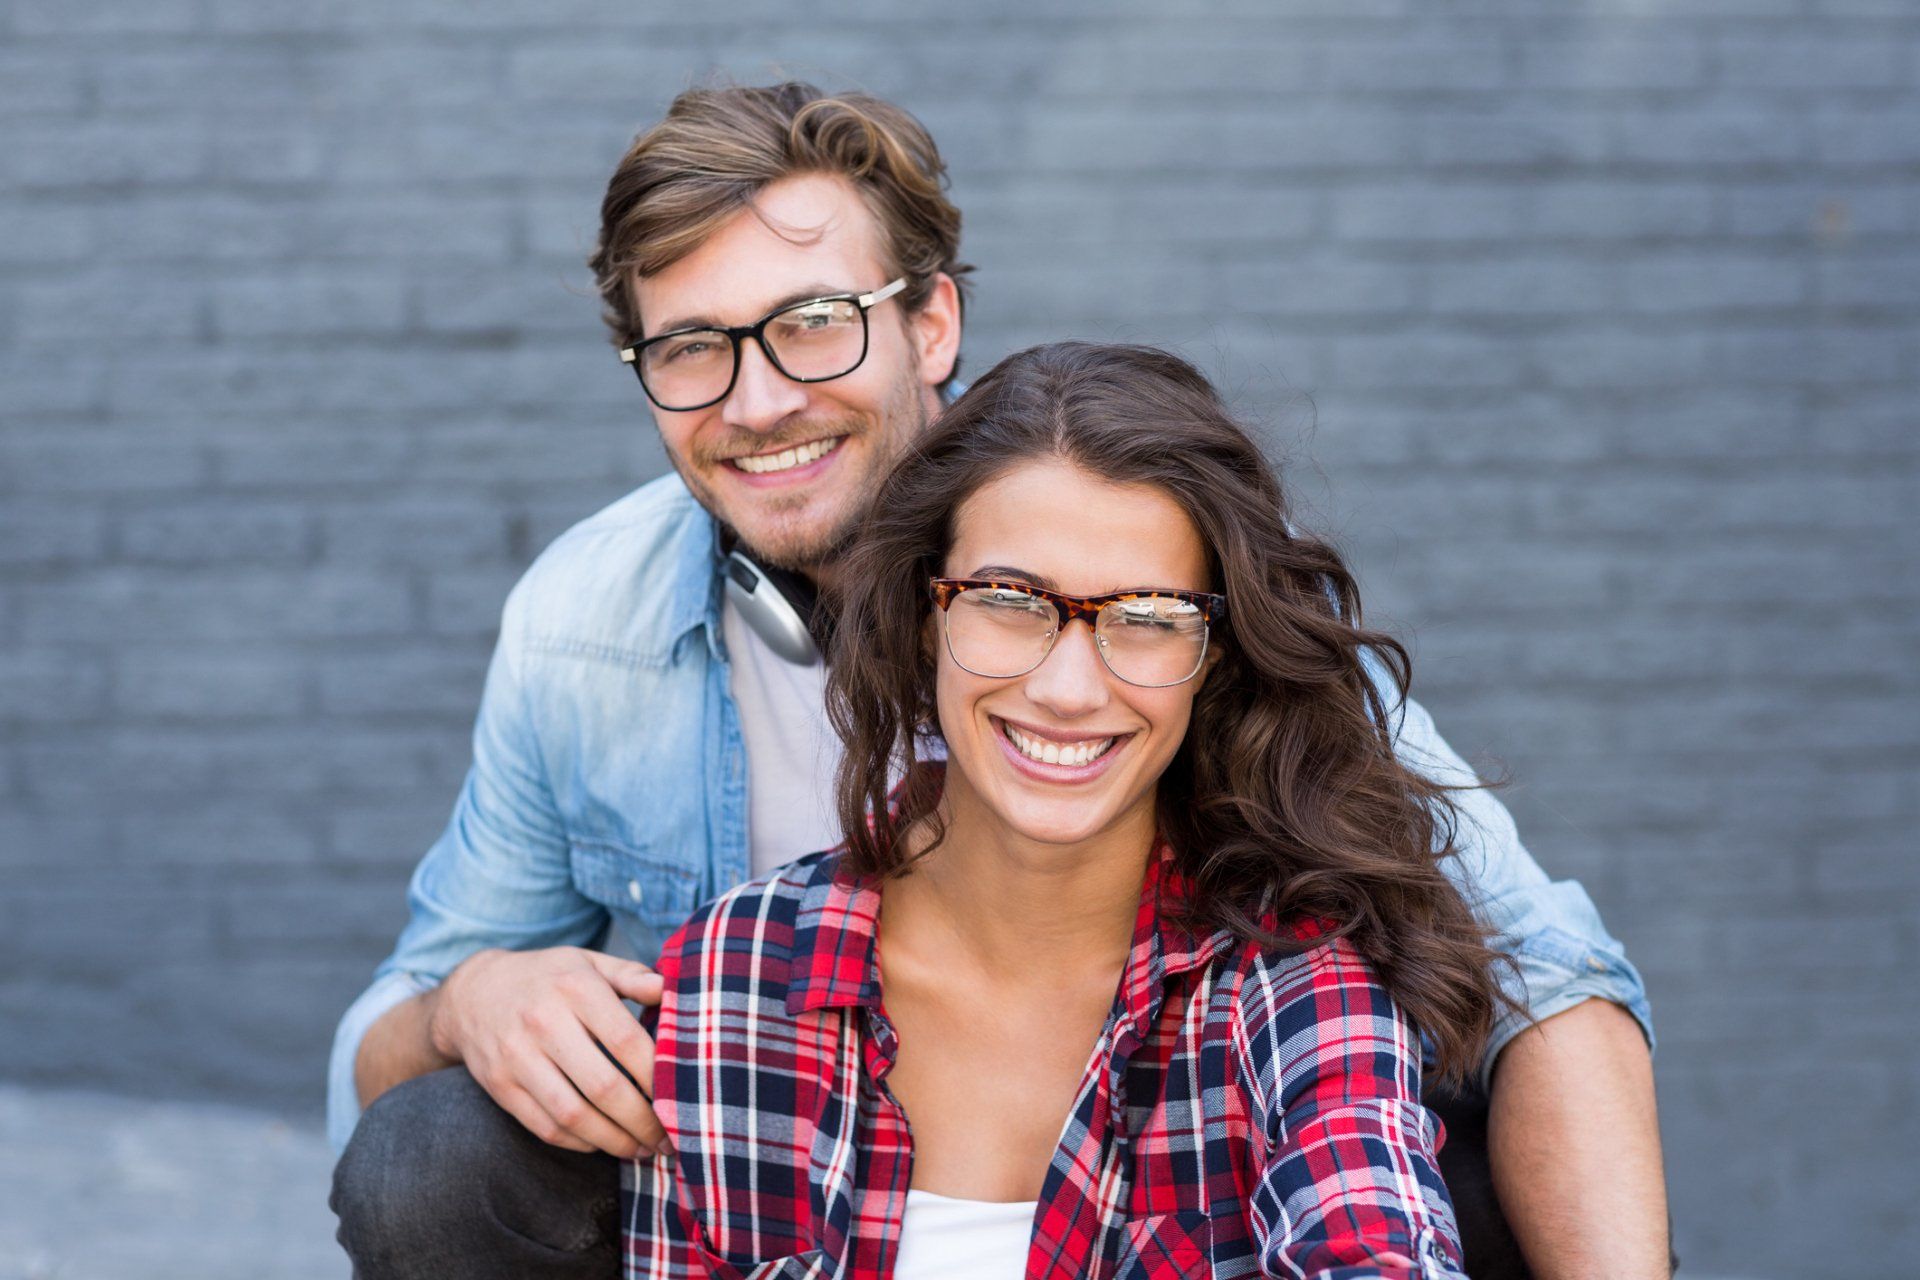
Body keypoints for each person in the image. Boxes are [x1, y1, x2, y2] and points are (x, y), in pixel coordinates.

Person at [328, 82, 1667, 1279]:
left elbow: (1554, 982)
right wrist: (473, 1002)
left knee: (1485, 1156)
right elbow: (381, 1050)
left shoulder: (1120, 542)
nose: (754, 402)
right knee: (431, 1157)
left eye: (811, 324)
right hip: (802, 1184)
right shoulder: (587, 631)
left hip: (1172, 1161)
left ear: (931, 322)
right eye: (692, 348)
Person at [625, 340, 1504, 1279]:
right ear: (927, 616)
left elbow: (1373, 1243)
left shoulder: (1290, 986)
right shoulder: (737, 978)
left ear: (1213, 660)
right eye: (1009, 600)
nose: (1068, 687)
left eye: (1150, 617)